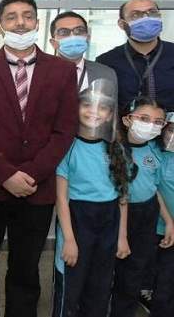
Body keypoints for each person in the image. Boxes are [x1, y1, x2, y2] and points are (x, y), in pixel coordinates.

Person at [0, 0, 78, 317]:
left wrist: (32, 173)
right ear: (0, 26)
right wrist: (6, 174)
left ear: (37, 22)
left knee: (26, 266)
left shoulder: (62, 71)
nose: (20, 22)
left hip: (37, 187)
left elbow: (65, 130)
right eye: (11, 17)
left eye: (27, 16)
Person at [52, 79, 129, 316]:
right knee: (71, 287)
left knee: (100, 286)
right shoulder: (67, 147)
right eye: (86, 105)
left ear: (110, 114)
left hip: (109, 221)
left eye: (102, 107)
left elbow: (122, 197)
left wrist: (121, 237)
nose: (93, 111)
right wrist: (69, 240)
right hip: (77, 220)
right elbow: (61, 199)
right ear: (76, 108)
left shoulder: (116, 149)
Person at [110, 97, 173, 317]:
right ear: (127, 119)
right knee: (111, 269)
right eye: (144, 119)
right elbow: (120, 194)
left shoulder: (155, 150)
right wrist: (122, 235)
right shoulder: (115, 151)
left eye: (158, 122)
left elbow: (154, 189)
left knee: (135, 272)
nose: (150, 125)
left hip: (148, 214)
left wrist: (168, 221)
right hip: (120, 215)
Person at [96, 0, 174, 112]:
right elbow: (102, 106)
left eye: (152, 13)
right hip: (124, 122)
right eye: (136, 15)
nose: (146, 18)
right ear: (122, 24)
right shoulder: (106, 61)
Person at [48, 11, 118, 94]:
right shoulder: (38, 72)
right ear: (53, 43)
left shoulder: (106, 74)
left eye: (79, 31)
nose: (73, 36)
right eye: (64, 32)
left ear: (87, 38)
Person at [151, 112, 174, 316]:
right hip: (157, 228)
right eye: (172, 130)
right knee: (160, 279)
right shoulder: (156, 153)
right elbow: (152, 188)